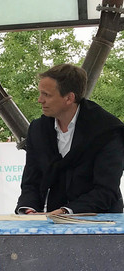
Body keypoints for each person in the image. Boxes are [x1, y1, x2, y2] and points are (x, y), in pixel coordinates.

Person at [16, 64, 124, 214]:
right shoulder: (38, 129)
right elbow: (31, 181)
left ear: (69, 98)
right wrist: (29, 209)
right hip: (51, 220)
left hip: (100, 222)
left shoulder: (107, 130)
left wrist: (65, 211)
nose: (40, 100)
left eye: (46, 95)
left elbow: (106, 190)